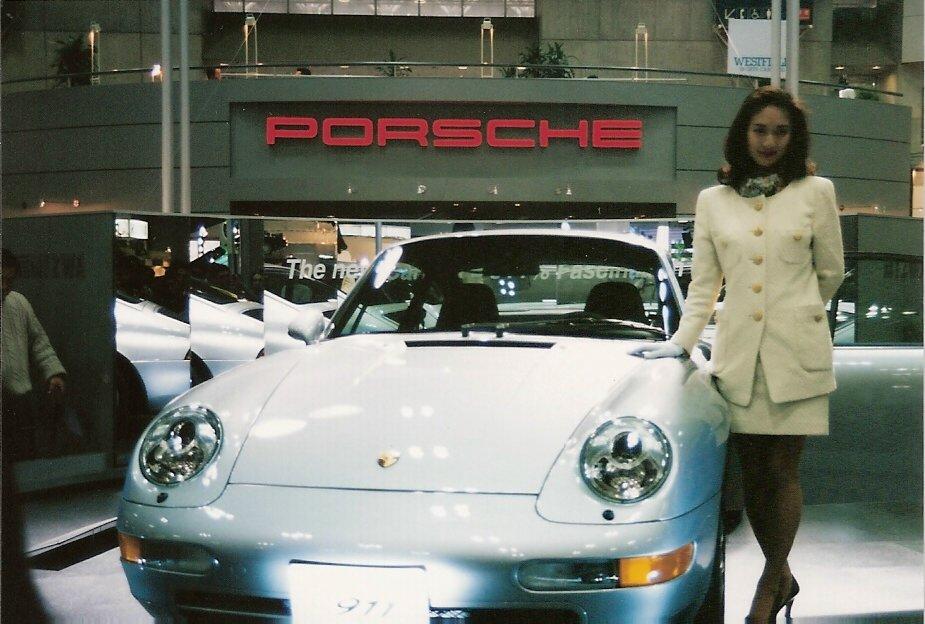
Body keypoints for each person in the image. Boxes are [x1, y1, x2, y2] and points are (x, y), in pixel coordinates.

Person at [632, 87, 844, 624]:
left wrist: (797, 313)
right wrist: (680, 344)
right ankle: (784, 574)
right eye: (760, 130)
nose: (770, 141)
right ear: (742, 135)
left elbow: (831, 272)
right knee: (752, 477)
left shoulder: (816, 192)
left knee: (782, 471)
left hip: (797, 354)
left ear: (795, 139)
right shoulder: (713, 201)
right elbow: (705, 285)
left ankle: (769, 584)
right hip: (739, 358)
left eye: (781, 132)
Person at [1, 248, 59, 622]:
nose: (6, 286)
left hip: (14, 400)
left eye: (10, 279)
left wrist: (53, 372)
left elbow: (39, 341)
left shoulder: (17, 304)